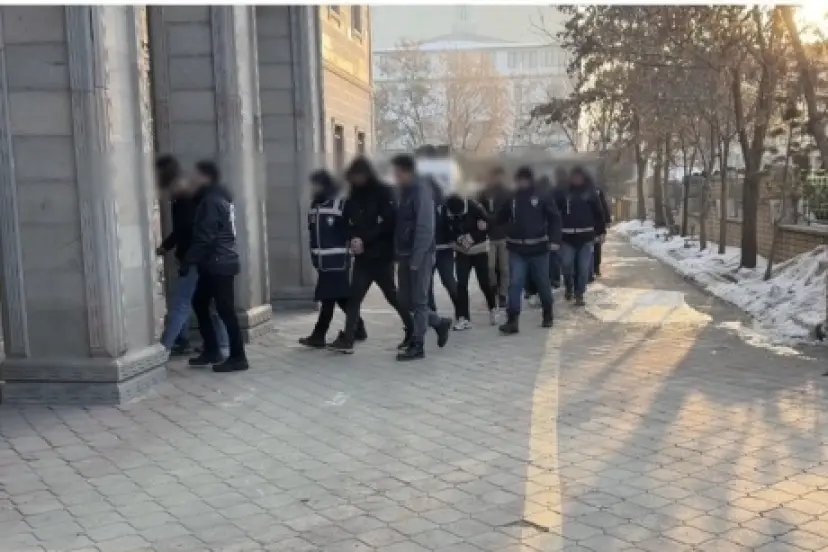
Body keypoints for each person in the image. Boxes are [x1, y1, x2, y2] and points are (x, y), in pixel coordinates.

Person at [329, 157, 414, 355]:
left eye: (358, 176)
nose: (355, 180)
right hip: (362, 257)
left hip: (381, 255)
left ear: (366, 175)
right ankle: (348, 339)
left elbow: (388, 222)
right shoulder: (353, 195)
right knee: (354, 298)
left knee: (392, 296)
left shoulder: (383, 192)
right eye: (353, 177)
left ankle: (414, 329)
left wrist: (364, 240)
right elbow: (345, 221)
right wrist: (353, 238)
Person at [156, 155, 229, 358]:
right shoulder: (189, 198)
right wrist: (167, 247)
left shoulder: (188, 199)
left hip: (196, 259)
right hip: (202, 258)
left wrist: (184, 257)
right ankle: (216, 343)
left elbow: (188, 230)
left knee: (182, 302)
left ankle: (166, 346)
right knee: (207, 304)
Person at [183, 160, 248, 372]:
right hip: (218, 261)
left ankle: (238, 356)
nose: (192, 178)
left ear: (205, 177)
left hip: (219, 261)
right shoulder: (218, 197)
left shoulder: (211, 200)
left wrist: (189, 259)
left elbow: (206, 235)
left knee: (225, 309)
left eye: (195, 174)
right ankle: (212, 350)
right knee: (200, 302)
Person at [391, 154, 452, 361]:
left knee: (419, 301)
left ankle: (418, 344)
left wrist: (417, 258)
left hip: (420, 255)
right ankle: (439, 323)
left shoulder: (421, 191)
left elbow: (425, 227)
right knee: (405, 300)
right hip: (404, 255)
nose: (396, 178)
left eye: (398, 174)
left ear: (407, 172)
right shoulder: (403, 192)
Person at [298, 169, 367, 348]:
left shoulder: (340, 204)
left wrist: (355, 240)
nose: (313, 188)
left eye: (316, 184)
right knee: (339, 298)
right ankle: (358, 328)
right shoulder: (315, 206)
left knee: (328, 299)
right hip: (322, 263)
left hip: (337, 261)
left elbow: (353, 227)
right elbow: (313, 234)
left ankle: (319, 336)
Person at [497, 166, 561, 335]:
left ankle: (548, 313)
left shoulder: (542, 196)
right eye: (519, 180)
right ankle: (512, 320)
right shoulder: (512, 198)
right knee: (515, 283)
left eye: (525, 180)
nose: (522, 183)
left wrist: (554, 239)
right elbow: (500, 218)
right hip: (517, 249)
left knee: (542, 282)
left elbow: (554, 218)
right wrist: (506, 228)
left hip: (539, 248)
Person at [553, 166, 607, 306]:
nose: (576, 179)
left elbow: (599, 213)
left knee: (583, 268)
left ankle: (579, 294)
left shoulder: (590, 193)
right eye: (574, 177)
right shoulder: (563, 193)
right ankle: (569, 286)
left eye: (579, 177)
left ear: (583, 178)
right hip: (567, 237)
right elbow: (553, 212)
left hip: (586, 237)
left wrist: (601, 231)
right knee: (566, 265)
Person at [445, 193, 497, 330]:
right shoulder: (448, 210)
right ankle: (464, 317)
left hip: (479, 250)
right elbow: (447, 230)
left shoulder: (475, 207)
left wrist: (473, 237)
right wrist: (458, 238)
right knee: (461, 284)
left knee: (484, 282)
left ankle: (492, 308)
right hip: (462, 252)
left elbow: (489, 225)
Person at [426, 176, 460, 321]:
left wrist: (453, 238)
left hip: (444, 248)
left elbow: (453, 223)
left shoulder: (444, 204)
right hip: (427, 250)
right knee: (427, 284)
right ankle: (432, 315)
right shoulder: (421, 204)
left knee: (449, 281)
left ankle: (461, 312)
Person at [477, 166, 512, 309]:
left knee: (504, 267)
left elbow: (510, 214)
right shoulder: (484, 193)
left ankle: (503, 294)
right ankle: (493, 288)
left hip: (504, 235)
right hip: (489, 236)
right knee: (490, 267)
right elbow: (479, 211)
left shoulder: (508, 193)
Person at [591, 184, 613, 279]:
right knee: (594, 247)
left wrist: (607, 220)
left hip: (596, 224)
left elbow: (603, 206)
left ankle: (595, 267)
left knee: (596, 246)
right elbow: (604, 206)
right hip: (588, 224)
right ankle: (593, 268)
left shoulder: (597, 191)